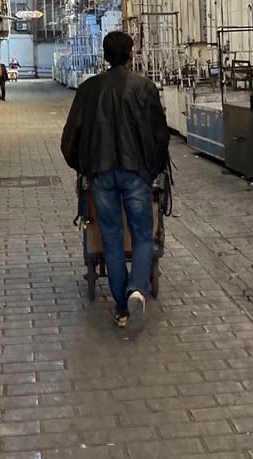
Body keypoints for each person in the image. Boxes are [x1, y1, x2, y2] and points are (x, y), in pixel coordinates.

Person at [61, 31, 169, 333]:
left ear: (106, 56)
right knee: (143, 236)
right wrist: (154, 168)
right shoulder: (145, 88)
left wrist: (84, 167)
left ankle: (122, 309)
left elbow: (70, 137)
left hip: (102, 174)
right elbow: (160, 135)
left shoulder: (88, 90)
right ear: (130, 54)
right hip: (136, 173)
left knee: (111, 239)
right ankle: (137, 289)